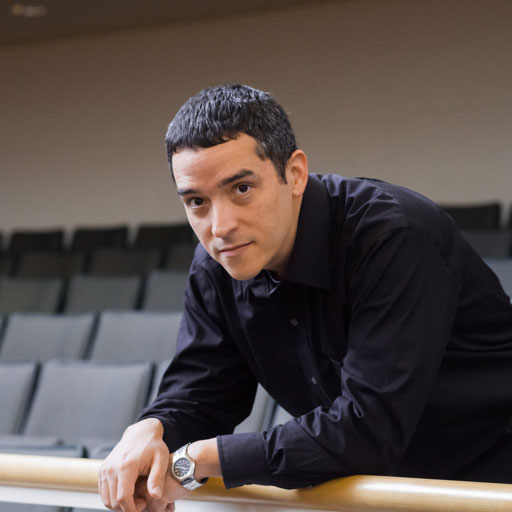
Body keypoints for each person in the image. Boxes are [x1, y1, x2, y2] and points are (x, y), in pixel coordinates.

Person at [99, 84, 512, 512]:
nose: (220, 227)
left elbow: (368, 430)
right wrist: (151, 430)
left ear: (295, 173)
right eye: (197, 201)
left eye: (241, 189)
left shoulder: (394, 238)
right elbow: (204, 392)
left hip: (494, 478)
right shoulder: (216, 264)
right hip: (382, 493)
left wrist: (199, 460)